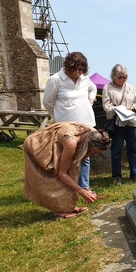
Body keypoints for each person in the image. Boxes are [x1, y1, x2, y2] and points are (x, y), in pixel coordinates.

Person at [23, 122, 111, 218]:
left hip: (59, 141)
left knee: (72, 172)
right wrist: (83, 192)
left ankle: (67, 206)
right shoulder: (71, 144)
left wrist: (83, 190)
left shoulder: (95, 135)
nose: (96, 155)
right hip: (38, 145)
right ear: (89, 144)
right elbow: (62, 174)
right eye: (94, 152)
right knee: (53, 176)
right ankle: (60, 210)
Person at [43, 51, 97, 194]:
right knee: (67, 157)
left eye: (82, 70)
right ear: (69, 66)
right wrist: (58, 117)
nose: (79, 73)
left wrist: (91, 100)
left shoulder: (84, 78)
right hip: (67, 127)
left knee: (84, 155)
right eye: (77, 69)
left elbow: (93, 88)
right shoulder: (55, 80)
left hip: (86, 123)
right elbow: (47, 102)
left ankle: (84, 186)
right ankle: (68, 188)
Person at [102, 64, 136, 186]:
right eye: (120, 77)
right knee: (116, 150)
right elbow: (106, 107)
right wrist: (118, 109)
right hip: (117, 123)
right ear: (113, 76)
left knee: (132, 149)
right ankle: (117, 176)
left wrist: (133, 108)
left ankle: (134, 173)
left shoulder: (130, 88)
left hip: (130, 122)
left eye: (124, 77)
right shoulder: (107, 88)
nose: (122, 79)